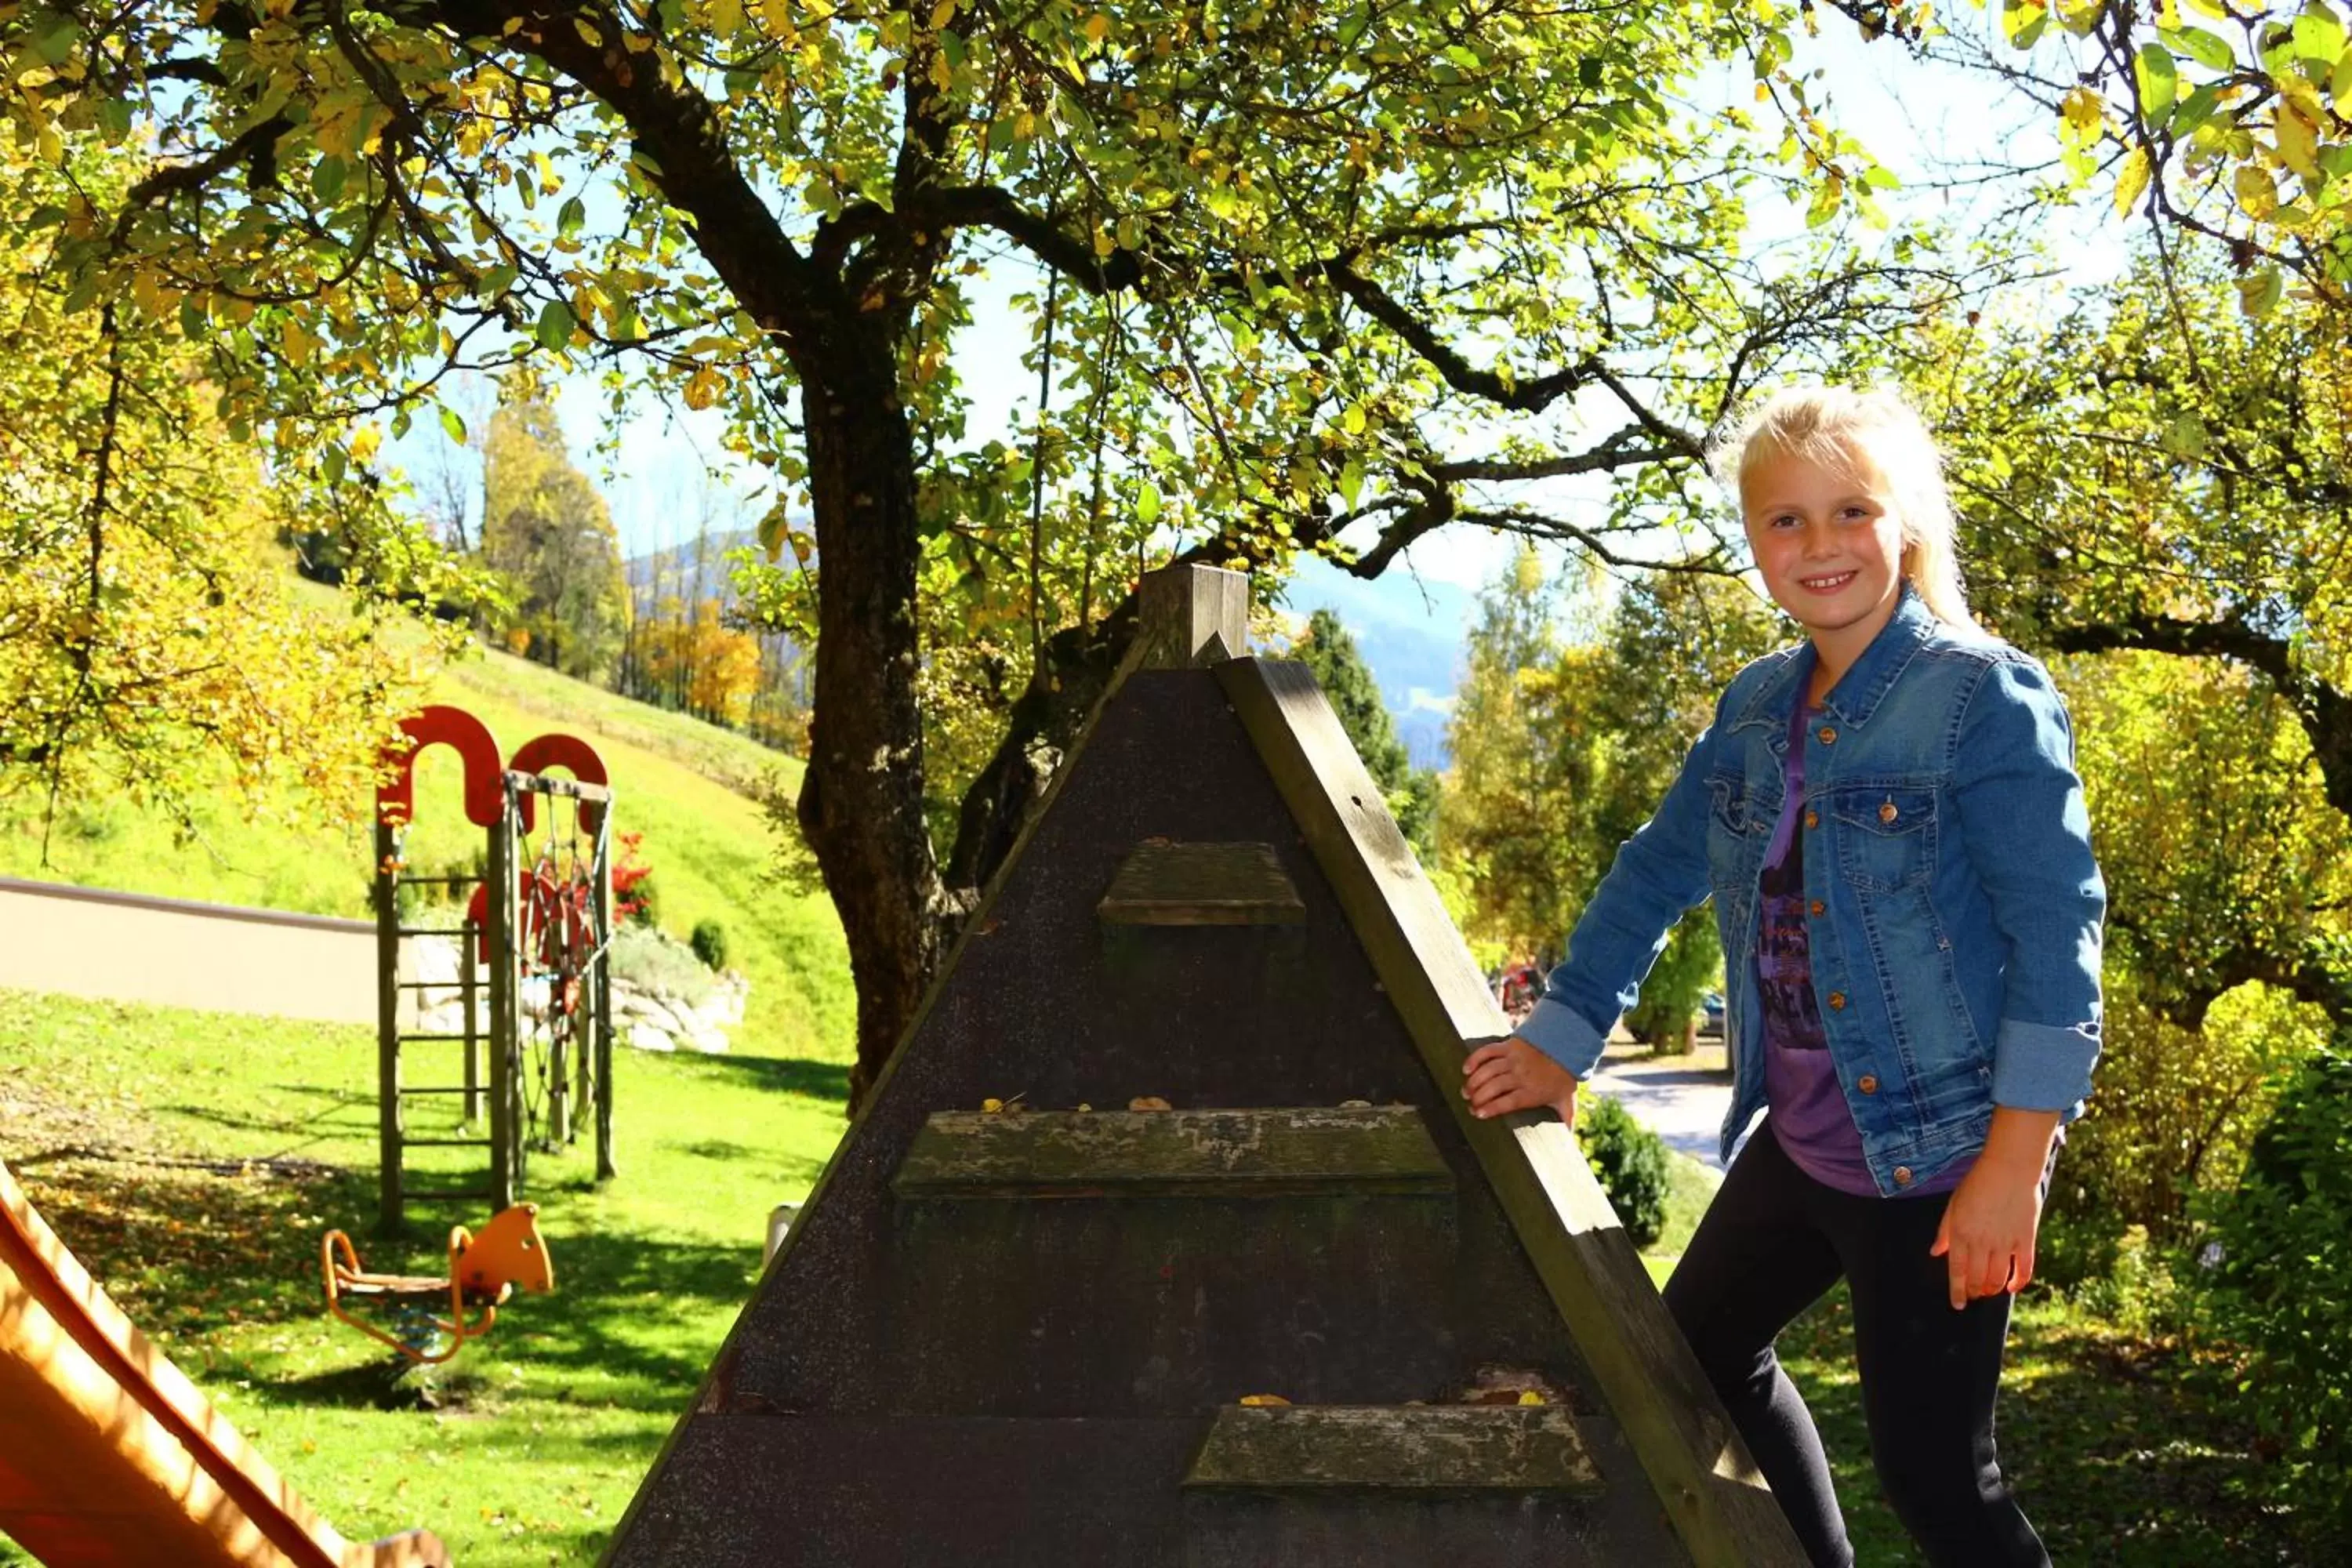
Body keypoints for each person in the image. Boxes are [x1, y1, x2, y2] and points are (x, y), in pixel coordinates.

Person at [1459, 386, 2104, 1568]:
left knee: (1937, 1481)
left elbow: (2061, 934)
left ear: (1904, 525)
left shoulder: (1981, 699)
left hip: (1938, 1157)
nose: (1820, 547)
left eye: (1851, 511)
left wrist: (2015, 1163)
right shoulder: (1756, 709)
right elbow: (1653, 871)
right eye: (1785, 522)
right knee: (1691, 1358)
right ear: (1753, 544)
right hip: (1802, 1143)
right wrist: (1562, 1034)